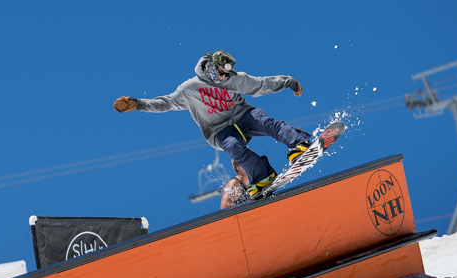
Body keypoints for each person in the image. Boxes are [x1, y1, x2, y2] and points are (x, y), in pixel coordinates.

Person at [114, 50, 312, 197]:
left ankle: (299, 143)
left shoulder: (235, 79)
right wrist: (139, 104)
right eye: (220, 73)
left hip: (242, 115)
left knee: (265, 121)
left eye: (226, 74)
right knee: (234, 147)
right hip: (219, 130)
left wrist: (289, 82)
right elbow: (167, 102)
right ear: (209, 68)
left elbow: (261, 85)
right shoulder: (190, 88)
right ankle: (262, 175)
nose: (223, 78)